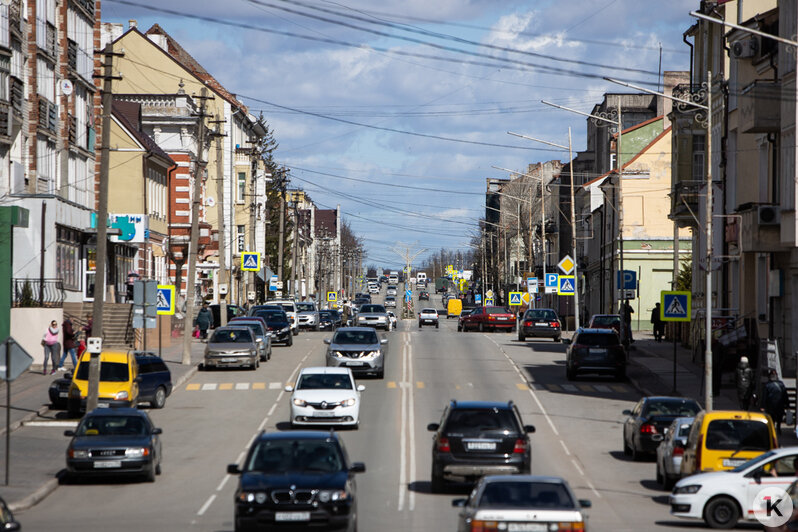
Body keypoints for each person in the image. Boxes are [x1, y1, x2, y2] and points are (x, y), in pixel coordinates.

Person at [763, 368, 788, 433]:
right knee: (779, 416)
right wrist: (787, 404)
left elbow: (764, 396)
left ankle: (773, 428)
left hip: (771, 404)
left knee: (772, 417)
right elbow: (785, 395)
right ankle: (778, 428)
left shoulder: (767, 385)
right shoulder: (781, 384)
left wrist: (763, 406)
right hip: (780, 404)